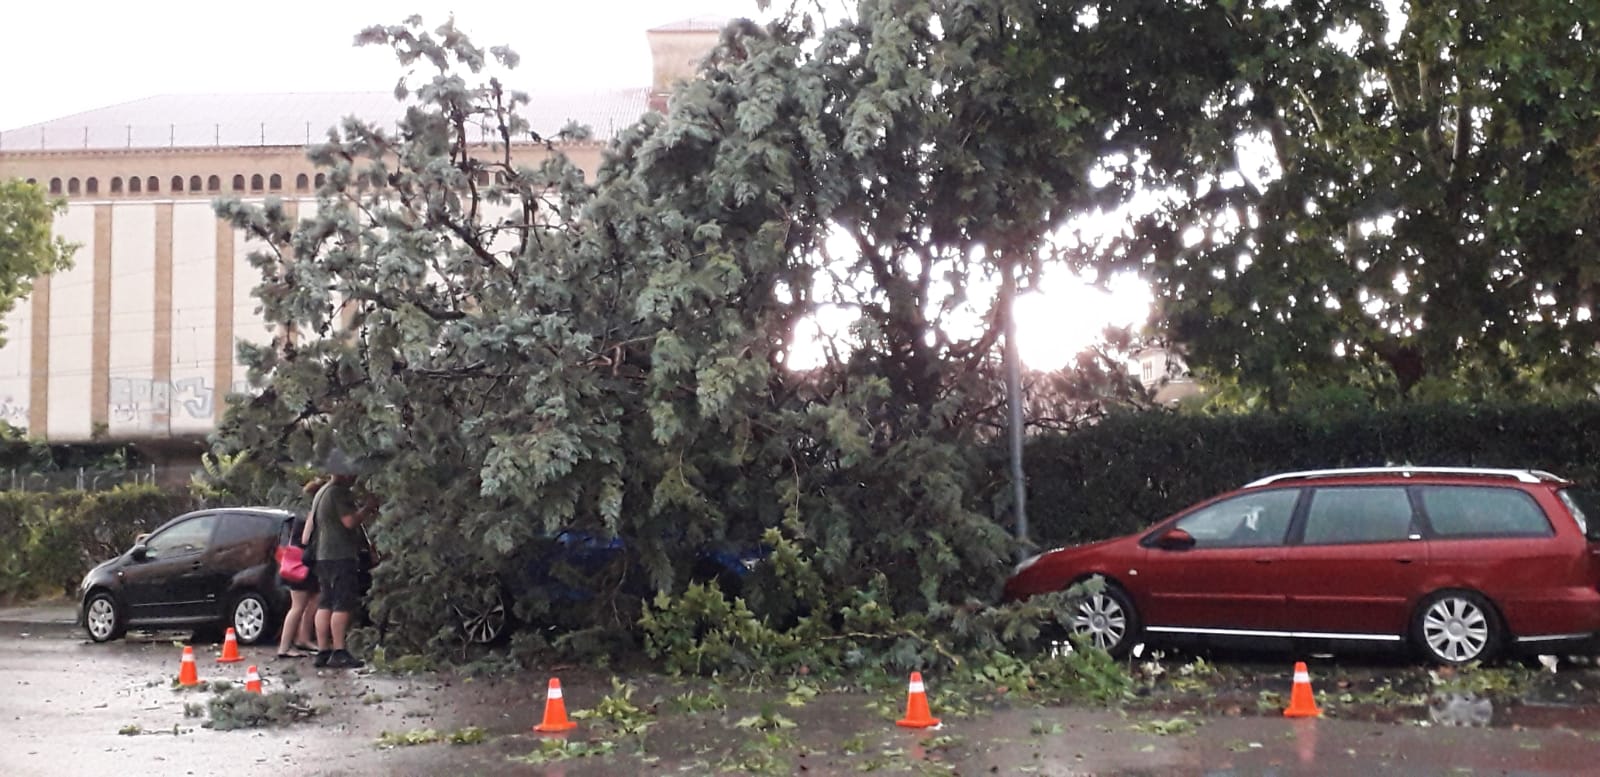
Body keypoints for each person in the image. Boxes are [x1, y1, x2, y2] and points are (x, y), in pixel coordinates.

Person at [303, 472, 379, 669]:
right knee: (342, 602)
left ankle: (323, 651)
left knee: (326, 601)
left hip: (322, 555)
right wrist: (366, 509)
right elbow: (349, 521)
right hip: (340, 554)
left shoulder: (321, 492)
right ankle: (339, 650)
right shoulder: (337, 493)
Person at [275, 477, 326, 659]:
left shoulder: (299, 514)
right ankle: (284, 647)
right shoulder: (310, 515)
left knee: (312, 600)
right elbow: (305, 539)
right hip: (302, 564)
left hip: (299, 563)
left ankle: (303, 638)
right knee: (297, 606)